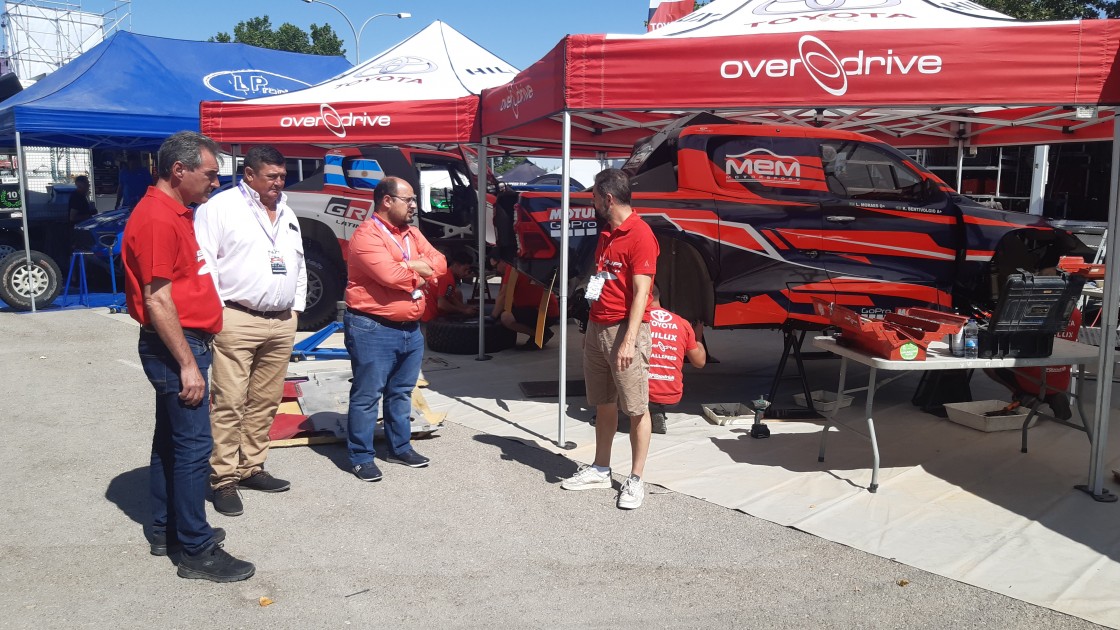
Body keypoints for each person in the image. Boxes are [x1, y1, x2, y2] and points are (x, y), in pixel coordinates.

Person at [121, 130, 254, 583]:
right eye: (210, 174)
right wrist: (187, 364)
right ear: (180, 170)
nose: (216, 183)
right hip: (177, 345)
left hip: (184, 341)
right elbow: (157, 298)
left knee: (171, 444)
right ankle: (195, 550)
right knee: (195, 448)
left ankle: (167, 530)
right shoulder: (157, 217)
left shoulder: (175, 211)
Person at [194, 145, 306, 516]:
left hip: (281, 320)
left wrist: (296, 310)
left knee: (266, 400)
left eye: (282, 176)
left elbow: (298, 263)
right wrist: (216, 315)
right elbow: (205, 264)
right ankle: (223, 479)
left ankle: (251, 466)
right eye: (271, 176)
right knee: (229, 402)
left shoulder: (287, 211)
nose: (278, 182)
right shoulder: (220, 208)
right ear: (249, 175)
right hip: (236, 317)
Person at [561, 168, 659, 510]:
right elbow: (603, 277)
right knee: (602, 402)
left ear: (609, 198)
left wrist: (630, 339)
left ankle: (635, 479)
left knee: (636, 407)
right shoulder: (608, 233)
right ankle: (601, 469)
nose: (592, 203)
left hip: (624, 330)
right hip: (598, 328)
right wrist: (587, 310)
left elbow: (641, 292)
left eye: (594, 198)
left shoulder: (641, 234)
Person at [345, 176, 447, 481]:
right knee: (367, 395)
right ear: (387, 201)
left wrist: (413, 267)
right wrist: (418, 268)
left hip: (410, 329)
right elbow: (391, 277)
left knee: (401, 391)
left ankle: (400, 447)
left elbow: (440, 263)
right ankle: (361, 456)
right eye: (409, 200)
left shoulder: (411, 233)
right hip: (372, 327)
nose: (415, 205)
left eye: (414, 199)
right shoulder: (366, 236)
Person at [647, 285, 706, 434]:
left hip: (640, 393)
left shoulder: (635, 321)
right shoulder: (682, 323)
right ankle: (656, 409)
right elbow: (700, 362)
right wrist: (698, 338)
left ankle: (611, 413)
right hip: (672, 395)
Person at [491, 258, 560, 350]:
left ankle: (540, 335)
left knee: (506, 317)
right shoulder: (516, 267)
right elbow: (506, 299)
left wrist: (492, 317)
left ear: (503, 261)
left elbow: (503, 295)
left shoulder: (512, 268)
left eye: (495, 266)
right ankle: (540, 332)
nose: (496, 270)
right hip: (541, 310)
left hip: (546, 312)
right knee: (504, 312)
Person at [421, 249, 477, 321]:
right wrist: (463, 310)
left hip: (428, 314)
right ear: (456, 266)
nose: (466, 273)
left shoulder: (446, 273)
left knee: (457, 293)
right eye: (465, 269)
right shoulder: (447, 278)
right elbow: (441, 305)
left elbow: (450, 297)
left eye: (468, 271)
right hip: (433, 318)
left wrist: (465, 307)